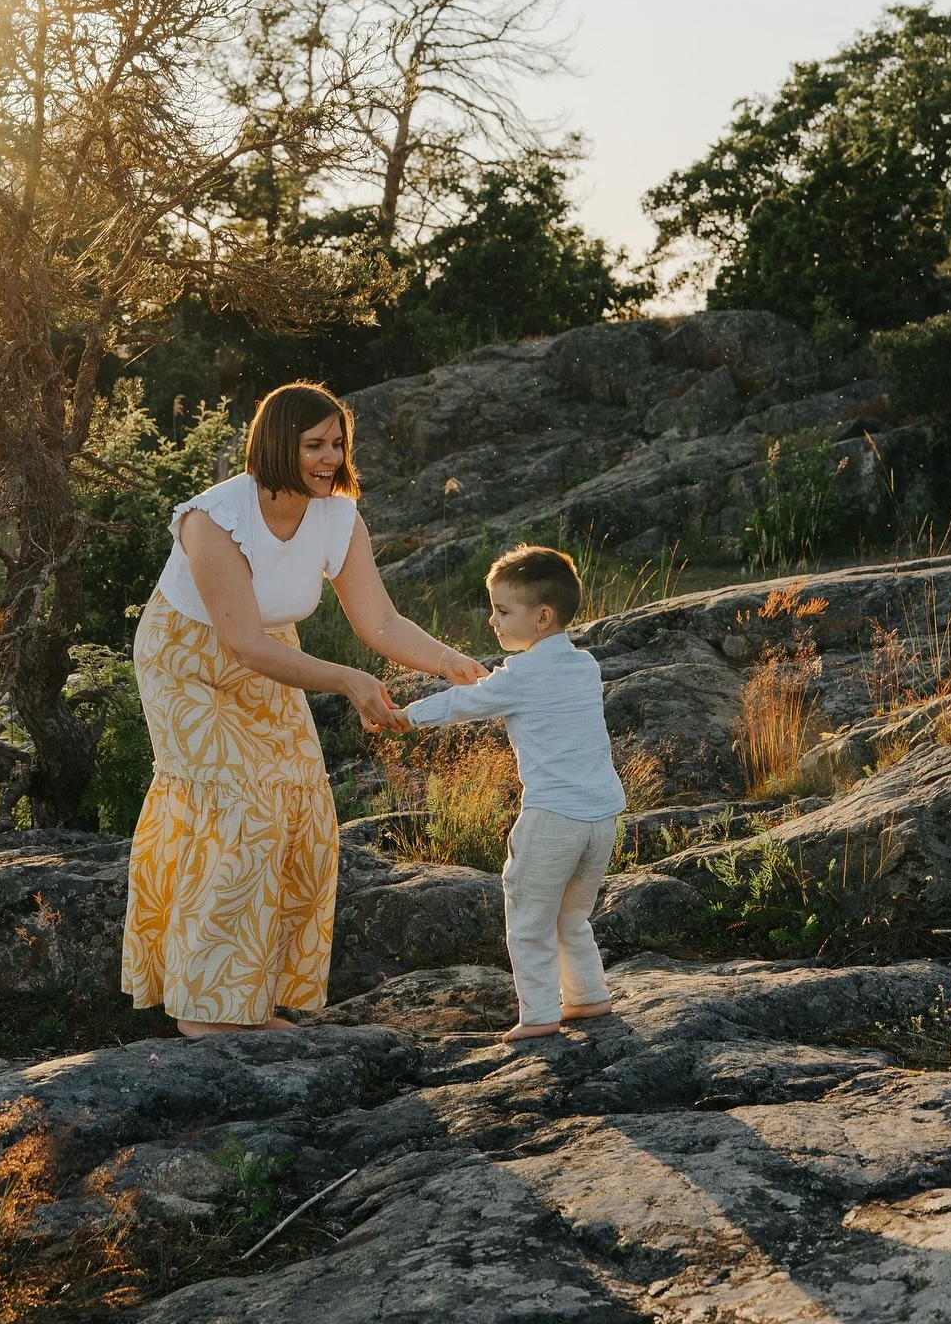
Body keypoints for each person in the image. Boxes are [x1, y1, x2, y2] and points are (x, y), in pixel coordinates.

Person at [121, 380, 485, 1038]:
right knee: (244, 808)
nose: (328, 457)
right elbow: (240, 640)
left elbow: (378, 618)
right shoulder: (213, 517)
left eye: (337, 443)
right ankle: (206, 1011)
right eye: (313, 444)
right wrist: (347, 680)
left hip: (272, 651)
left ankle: (253, 997)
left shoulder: (337, 515)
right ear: (275, 446)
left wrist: (448, 662)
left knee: (305, 812)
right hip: (187, 659)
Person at [405, 543, 625, 1042]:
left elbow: (465, 704)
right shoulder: (584, 664)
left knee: (527, 913)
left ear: (542, 616)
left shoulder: (521, 675)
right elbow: (512, 691)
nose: (492, 620)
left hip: (552, 818)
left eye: (503, 611)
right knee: (572, 915)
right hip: (601, 818)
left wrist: (406, 716)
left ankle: (541, 1012)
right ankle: (589, 996)